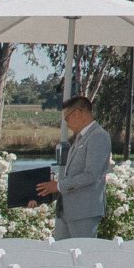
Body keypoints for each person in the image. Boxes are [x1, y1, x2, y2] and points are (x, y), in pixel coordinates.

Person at [36, 96, 112, 239]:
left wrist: (58, 186)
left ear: (78, 113)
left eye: (67, 119)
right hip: (67, 211)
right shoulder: (80, 138)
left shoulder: (99, 136)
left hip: (84, 211)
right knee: (62, 257)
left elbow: (91, 175)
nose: (67, 124)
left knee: (82, 256)